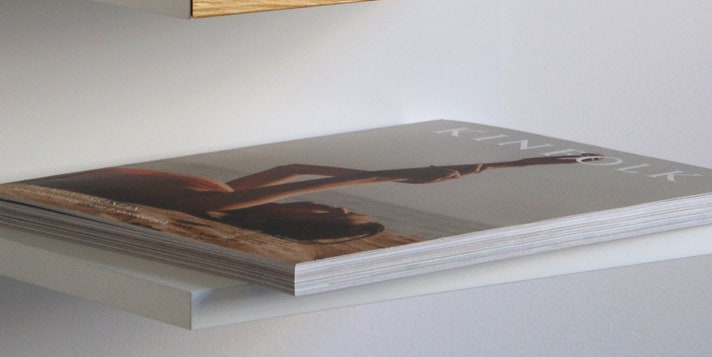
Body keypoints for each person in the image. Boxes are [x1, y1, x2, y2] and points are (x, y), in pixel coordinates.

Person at [36, 151, 602, 243]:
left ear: (307, 226)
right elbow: (296, 168)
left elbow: (308, 184)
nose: (333, 205)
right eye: (345, 208)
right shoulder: (233, 193)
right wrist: (522, 162)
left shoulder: (219, 209)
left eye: (336, 214)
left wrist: (394, 179)